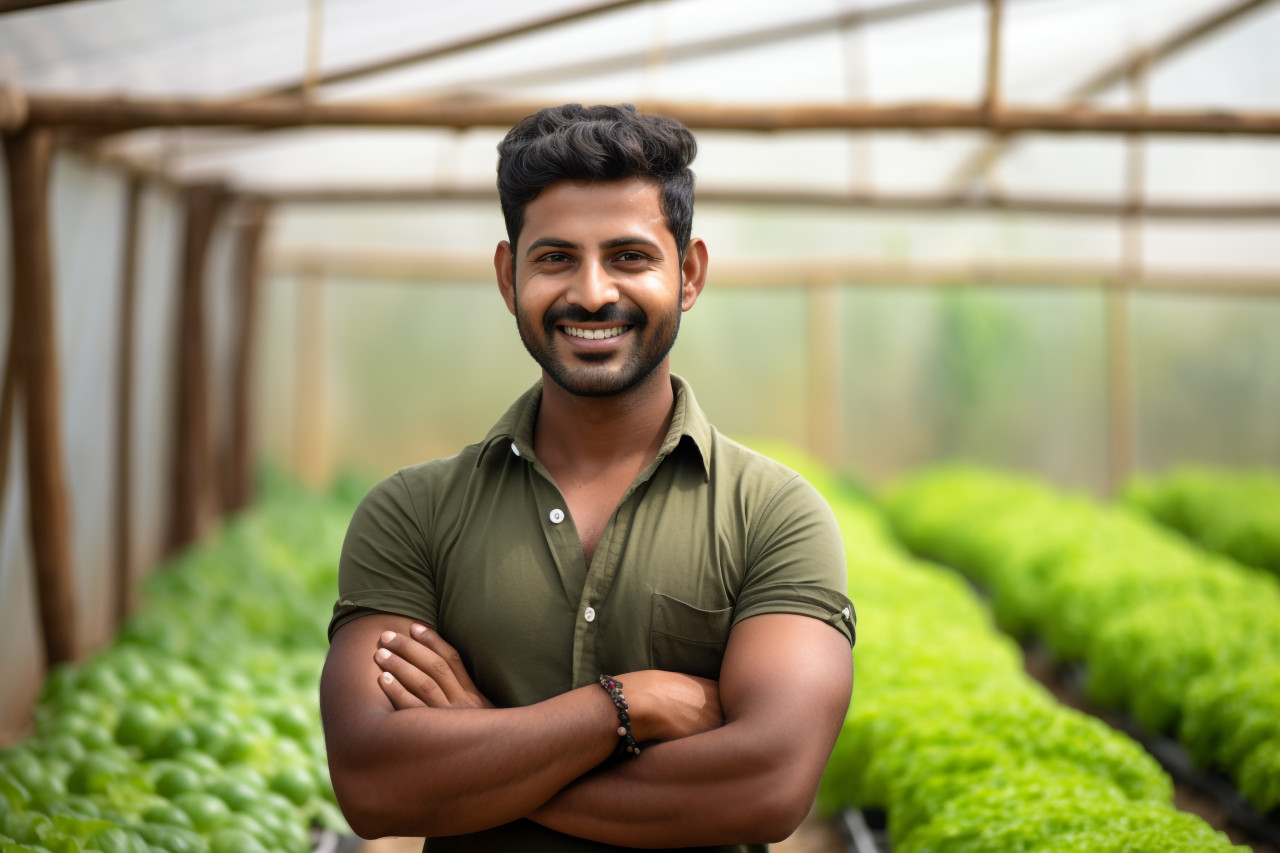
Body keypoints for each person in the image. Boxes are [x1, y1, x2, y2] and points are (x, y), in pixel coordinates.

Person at [319, 103, 856, 852]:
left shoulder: (774, 515)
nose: (594, 292)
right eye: (556, 258)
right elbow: (375, 784)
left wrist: (483, 748)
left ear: (689, 272)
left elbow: (766, 784)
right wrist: (625, 705)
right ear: (509, 276)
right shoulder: (412, 513)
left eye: (631, 257)